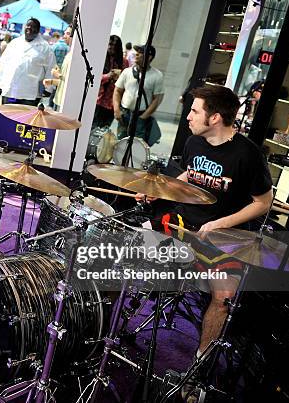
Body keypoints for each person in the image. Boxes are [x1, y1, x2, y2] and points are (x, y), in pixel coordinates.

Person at [140, 85, 273, 401]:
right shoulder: (194, 141)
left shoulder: (248, 155)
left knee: (224, 296)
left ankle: (198, 367)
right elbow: (191, 173)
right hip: (184, 223)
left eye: (194, 111)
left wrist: (220, 224)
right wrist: (162, 189)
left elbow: (263, 202)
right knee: (127, 245)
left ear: (214, 117)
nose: (187, 117)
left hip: (225, 237)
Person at [0, 18, 56, 106]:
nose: (29, 28)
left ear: (38, 30)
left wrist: (48, 89)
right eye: (28, 25)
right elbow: (4, 64)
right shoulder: (14, 43)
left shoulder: (45, 48)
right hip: (10, 90)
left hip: (30, 94)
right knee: (7, 117)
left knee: (25, 119)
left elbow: (51, 69)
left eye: (33, 27)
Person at [113, 44, 164, 144]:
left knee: (137, 145)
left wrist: (144, 116)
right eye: (137, 52)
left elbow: (157, 99)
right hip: (125, 113)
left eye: (141, 52)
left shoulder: (157, 75)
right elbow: (117, 91)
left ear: (149, 57)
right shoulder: (127, 72)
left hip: (141, 115)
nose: (137, 54)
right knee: (121, 143)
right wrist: (116, 109)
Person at [93, 35, 128, 128]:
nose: (110, 47)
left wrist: (120, 77)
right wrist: (107, 76)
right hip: (98, 100)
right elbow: (94, 78)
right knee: (93, 128)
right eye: (109, 44)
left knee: (104, 130)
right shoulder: (101, 58)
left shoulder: (124, 62)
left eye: (113, 45)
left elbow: (126, 81)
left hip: (113, 102)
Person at [43, 26, 73, 110]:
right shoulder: (69, 53)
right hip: (58, 100)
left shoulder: (74, 56)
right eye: (64, 33)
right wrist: (52, 81)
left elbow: (72, 82)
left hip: (64, 102)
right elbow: (64, 81)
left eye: (68, 34)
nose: (64, 36)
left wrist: (58, 75)